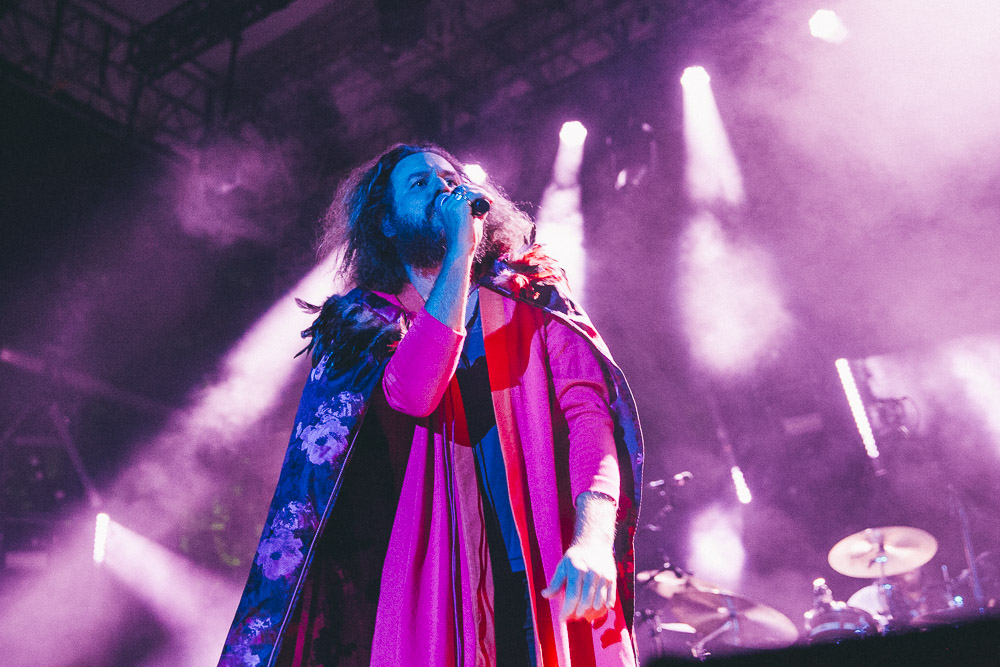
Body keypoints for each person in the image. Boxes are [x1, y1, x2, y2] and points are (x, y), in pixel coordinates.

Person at [219, 144, 643, 666]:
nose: (444, 187)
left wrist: (595, 539)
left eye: (450, 177)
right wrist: (459, 255)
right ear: (388, 225)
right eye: (419, 183)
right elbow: (415, 392)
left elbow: (588, 413)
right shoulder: (362, 322)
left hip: (549, 565)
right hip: (435, 588)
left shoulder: (530, 289)